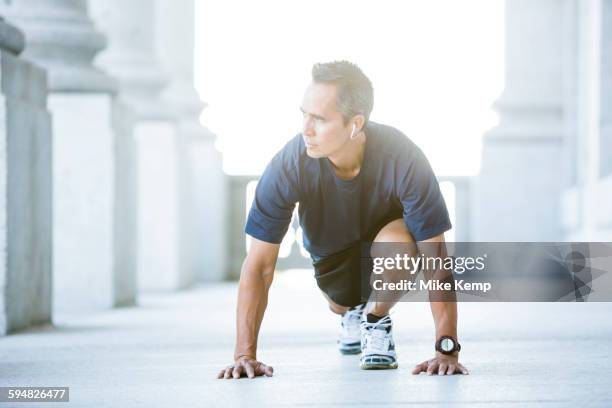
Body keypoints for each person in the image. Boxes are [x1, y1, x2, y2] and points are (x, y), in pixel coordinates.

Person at [217, 61, 468, 380]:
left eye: (319, 119)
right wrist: (244, 355)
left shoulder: (403, 157)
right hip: (331, 262)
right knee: (341, 303)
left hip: (388, 250)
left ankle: (375, 319)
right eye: (303, 114)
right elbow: (260, 265)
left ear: (355, 124)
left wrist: (446, 350)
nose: (305, 129)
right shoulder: (289, 164)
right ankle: (352, 313)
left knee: (400, 245)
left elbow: (436, 260)